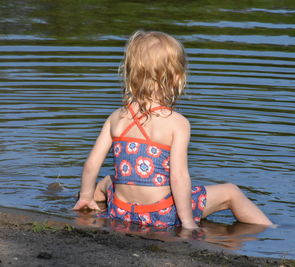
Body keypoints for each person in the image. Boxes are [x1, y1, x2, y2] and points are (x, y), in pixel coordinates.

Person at [73, 30, 272, 229]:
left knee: (107, 180)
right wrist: (186, 222)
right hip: (161, 214)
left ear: (130, 73)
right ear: (177, 78)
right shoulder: (177, 123)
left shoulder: (116, 117)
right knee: (231, 192)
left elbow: (91, 164)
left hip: (121, 211)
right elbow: (179, 177)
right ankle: (270, 228)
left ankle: (88, 202)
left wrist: (85, 195)